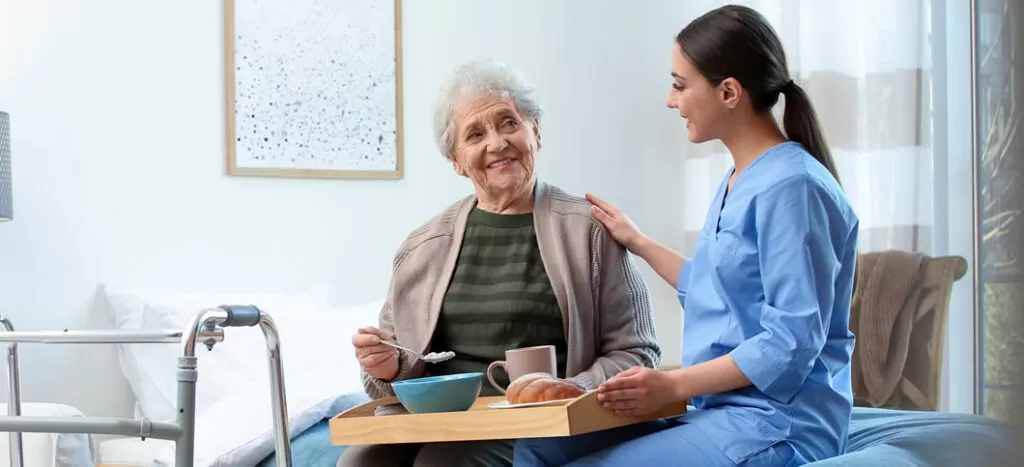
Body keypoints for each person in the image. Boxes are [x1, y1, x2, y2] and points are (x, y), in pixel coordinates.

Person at [513, 5, 859, 466]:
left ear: (729, 92)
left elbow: (791, 341)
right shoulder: (740, 177)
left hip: (778, 424)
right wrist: (637, 241)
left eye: (679, 85)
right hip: (717, 411)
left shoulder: (792, 187)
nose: (670, 101)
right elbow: (713, 290)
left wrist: (671, 384)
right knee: (539, 444)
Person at [337, 59, 662, 467]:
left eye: (509, 123)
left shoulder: (589, 231)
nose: (496, 143)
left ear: (535, 132)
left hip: (544, 425)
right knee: (360, 463)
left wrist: (572, 388)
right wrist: (386, 367)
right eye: (475, 134)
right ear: (456, 160)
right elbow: (386, 382)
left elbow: (638, 350)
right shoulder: (421, 247)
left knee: (442, 464)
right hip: (442, 422)